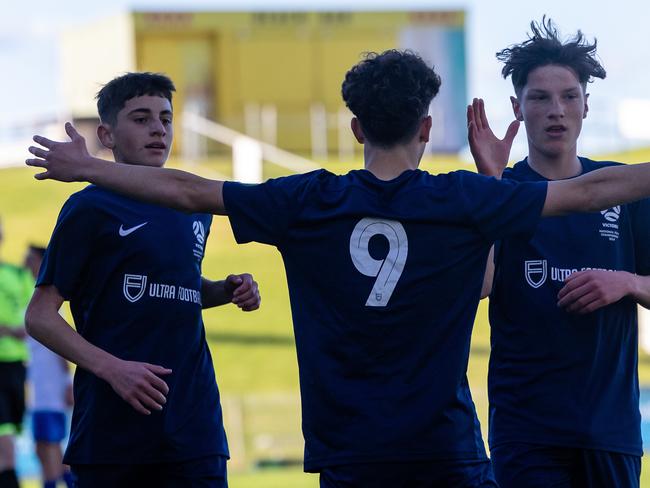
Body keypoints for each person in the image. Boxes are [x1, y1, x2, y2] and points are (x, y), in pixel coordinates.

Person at [25, 50, 650, 488]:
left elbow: (191, 191)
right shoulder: (463, 199)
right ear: (426, 128)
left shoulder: (307, 201)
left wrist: (90, 168)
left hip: (349, 452)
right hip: (445, 449)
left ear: (355, 127)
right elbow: (592, 192)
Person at [24, 73, 261, 488]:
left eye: (166, 119)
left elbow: (175, 287)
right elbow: (40, 316)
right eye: (140, 118)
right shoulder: (89, 207)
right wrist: (113, 369)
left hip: (194, 431)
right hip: (112, 436)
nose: (158, 128)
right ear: (106, 135)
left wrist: (222, 290)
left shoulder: (192, 206)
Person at [467, 18, 650, 488]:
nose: (557, 111)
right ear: (517, 107)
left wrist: (628, 282)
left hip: (611, 432)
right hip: (527, 432)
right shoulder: (498, 192)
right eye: (540, 98)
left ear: (587, 105)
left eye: (569, 96)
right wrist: (491, 186)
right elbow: (480, 287)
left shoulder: (623, 189)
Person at [24, 245, 74, 488]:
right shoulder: (31, 294)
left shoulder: (51, 302)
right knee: (42, 446)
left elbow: (61, 346)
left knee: (49, 444)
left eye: (30, 259)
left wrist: (67, 383)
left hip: (49, 390)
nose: (26, 263)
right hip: (38, 388)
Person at [0, 218, 33, 488]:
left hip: (15, 363)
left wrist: (10, 331)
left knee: (12, 425)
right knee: (4, 430)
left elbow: (30, 322)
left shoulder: (17, 275)